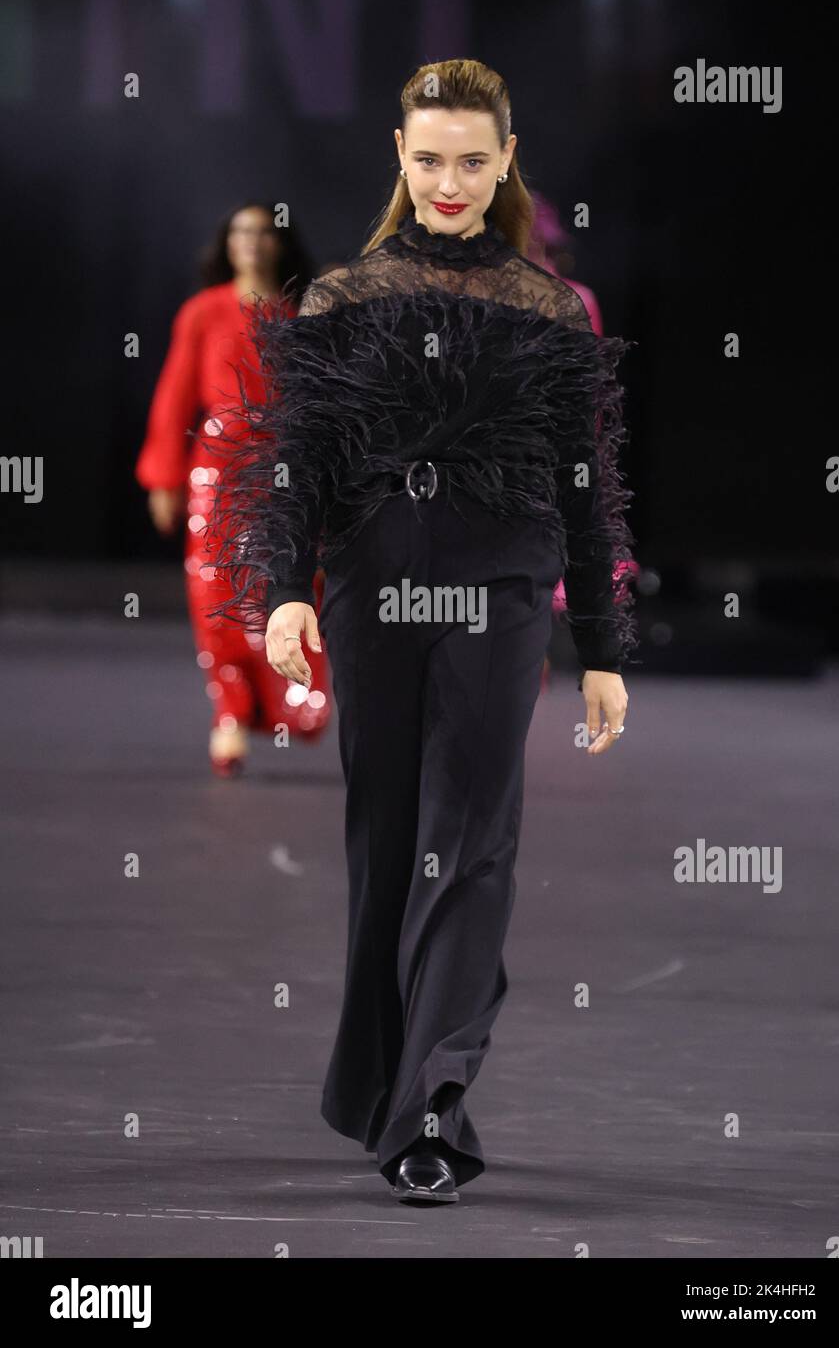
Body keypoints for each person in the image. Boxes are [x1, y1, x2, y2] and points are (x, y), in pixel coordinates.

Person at [206, 60, 638, 1203]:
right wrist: (286, 587)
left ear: (505, 166)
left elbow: (585, 487)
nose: (449, 181)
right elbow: (297, 457)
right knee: (389, 839)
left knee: (476, 835)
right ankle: (380, 1078)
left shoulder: (548, 310)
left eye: (472, 160)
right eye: (429, 157)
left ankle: (434, 1101)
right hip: (372, 588)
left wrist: (597, 645)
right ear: (399, 158)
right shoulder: (343, 296)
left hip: (499, 592)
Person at [135, 201, 331, 776]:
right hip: (217, 471)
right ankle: (230, 715)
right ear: (227, 242)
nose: (251, 242)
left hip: (289, 472)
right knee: (214, 589)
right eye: (241, 232)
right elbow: (173, 399)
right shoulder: (202, 312)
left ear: (280, 243)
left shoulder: (304, 313)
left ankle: (292, 700)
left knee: (289, 584)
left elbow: (325, 407)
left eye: (264, 232)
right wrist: (164, 477)